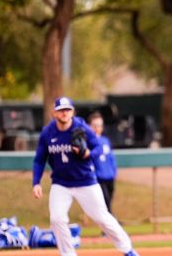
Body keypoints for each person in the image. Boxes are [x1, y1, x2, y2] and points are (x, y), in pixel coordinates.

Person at [32, 96, 138, 256]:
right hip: (61, 183)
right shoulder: (47, 133)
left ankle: (128, 250)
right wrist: (36, 182)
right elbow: (39, 160)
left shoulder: (81, 127)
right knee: (57, 219)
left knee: (102, 218)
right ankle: (68, 254)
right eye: (61, 110)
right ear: (54, 113)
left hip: (86, 182)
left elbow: (98, 147)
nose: (64, 113)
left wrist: (88, 153)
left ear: (72, 111)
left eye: (67, 110)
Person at [87, 111, 117, 214]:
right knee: (105, 201)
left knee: (109, 200)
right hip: (98, 178)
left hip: (109, 176)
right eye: (94, 125)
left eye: (99, 126)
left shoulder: (105, 140)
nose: (97, 128)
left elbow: (111, 158)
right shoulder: (87, 142)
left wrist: (114, 171)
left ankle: (110, 222)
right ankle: (112, 222)